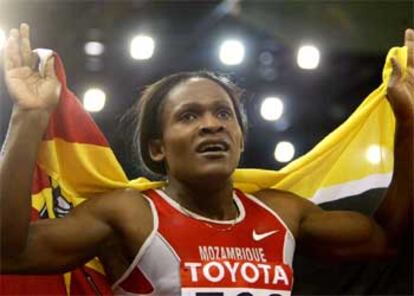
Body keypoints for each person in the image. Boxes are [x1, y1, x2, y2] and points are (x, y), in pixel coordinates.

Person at [0, 23, 412, 295]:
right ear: (157, 148)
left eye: (223, 114)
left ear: (240, 137)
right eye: (189, 116)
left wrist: (409, 124)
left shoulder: (283, 213)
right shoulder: (129, 216)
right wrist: (29, 116)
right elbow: (9, 253)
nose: (211, 125)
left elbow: (386, 238)